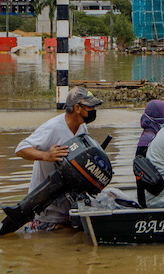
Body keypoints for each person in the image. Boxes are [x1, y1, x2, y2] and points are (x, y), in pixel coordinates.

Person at [14, 86, 102, 230]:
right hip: (46, 208)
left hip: (68, 206)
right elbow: (20, 149)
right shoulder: (52, 128)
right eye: (90, 107)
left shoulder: (81, 128)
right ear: (78, 108)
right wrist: (46, 155)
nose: (93, 111)